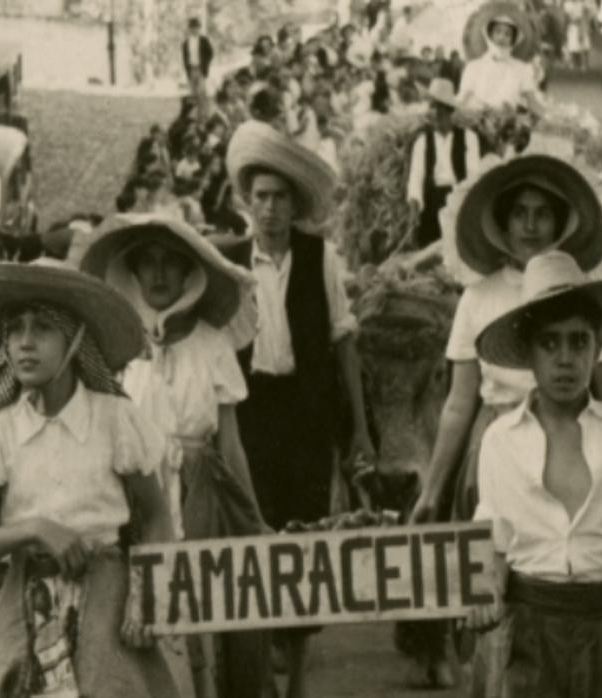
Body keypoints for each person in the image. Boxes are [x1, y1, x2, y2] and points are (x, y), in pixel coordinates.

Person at [410, 151, 602, 694]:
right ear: (504, 223)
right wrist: (434, 489)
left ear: (560, 223)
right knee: (494, 592)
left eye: (542, 214)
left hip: (573, 442)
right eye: (520, 213)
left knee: (564, 572)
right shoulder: (479, 296)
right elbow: (460, 401)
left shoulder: (577, 292)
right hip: (496, 446)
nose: (531, 225)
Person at [0, 260, 179, 697]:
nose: (24, 344)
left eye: (42, 329)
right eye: (14, 330)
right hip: (25, 602)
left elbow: (159, 517)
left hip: (107, 600)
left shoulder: (115, 419)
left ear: (74, 341)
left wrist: (146, 597)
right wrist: (32, 529)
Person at [468, 250, 602, 698]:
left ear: (597, 347)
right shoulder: (499, 441)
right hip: (530, 632)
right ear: (529, 354)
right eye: (550, 343)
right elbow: (492, 545)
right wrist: (483, 592)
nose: (565, 359)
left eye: (578, 342)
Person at [76, 214, 271, 698]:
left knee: (200, 606)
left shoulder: (212, 342)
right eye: (149, 264)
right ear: (135, 275)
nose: (159, 275)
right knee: (139, 609)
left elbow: (230, 442)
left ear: (189, 276)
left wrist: (252, 516)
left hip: (201, 492)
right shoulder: (118, 346)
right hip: (135, 499)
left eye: (171, 264)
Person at [223, 121, 375, 698]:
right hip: (251, 411)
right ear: (247, 202)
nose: (269, 209)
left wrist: (357, 429)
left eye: (280, 197)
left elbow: (343, 341)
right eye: (260, 197)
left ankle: (299, 680)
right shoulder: (231, 262)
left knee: (306, 537)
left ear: (294, 203)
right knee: (255, 536)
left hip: (306, 413)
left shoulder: (320, 258)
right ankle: (260, 674)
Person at [406, 79, 481, 249]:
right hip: (431, 201)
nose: (436, 113)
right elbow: (415, 179)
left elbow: (473, 175)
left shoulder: (469, 138)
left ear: (449, 111)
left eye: (440, 108)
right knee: (428, 250)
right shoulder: (422, 141)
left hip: (457, 198)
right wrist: (414, 209)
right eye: (433, 107)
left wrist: (465, 207)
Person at [457, 14, 543, 111]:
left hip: (509, 123)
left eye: (507, 34)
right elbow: (462, 99)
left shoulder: (522, 69)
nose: (501, 37)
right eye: (497, 31)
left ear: (513, 40)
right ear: (490, 35)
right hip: (475, 121)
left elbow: (532, 101)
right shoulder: (473, 67)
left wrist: (551, 120)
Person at [182, 17, 215, 96]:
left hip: (201, 68)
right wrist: (187, 69)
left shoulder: (204, 40)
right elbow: (185, 57)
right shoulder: (186, 42)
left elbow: (210, 53)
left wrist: (205, 64)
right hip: (191, 68)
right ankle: (195, 108)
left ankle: (203, 108)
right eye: (192, 28)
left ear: (199, 28)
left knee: (201, 92)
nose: (194, 30)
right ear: (189, 29)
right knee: (193, 92)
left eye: (196, 27)